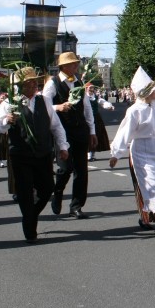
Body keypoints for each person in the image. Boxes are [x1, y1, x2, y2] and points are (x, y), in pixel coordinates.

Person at [0, 67, 69, 242]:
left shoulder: (44, 101)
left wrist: (63, 146)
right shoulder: (10, 103)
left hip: (43, 154)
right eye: (30, 82)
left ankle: (30, 215)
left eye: (35, 81)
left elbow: (56, 126)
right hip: (21, 155)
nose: (34, 84)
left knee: (47, 189)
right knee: (25, 192)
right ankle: (29, 227)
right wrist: (7, 120)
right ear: (20, 86)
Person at [110, 59, 155, 234]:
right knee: (151, 184)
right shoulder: (134, 110)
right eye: (152, 89)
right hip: (142, 150)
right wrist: (116, 153)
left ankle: (148, 217)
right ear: (145, 92)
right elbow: (124, 132)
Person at [43, 52, 97, 219]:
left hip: (80, 129)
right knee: (65, 168)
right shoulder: (53, 83)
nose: (76, 66)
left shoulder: (79, 82)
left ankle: (77, 205)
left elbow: (87, 107)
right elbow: (42, 105)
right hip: (62, 131)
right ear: (64, 66)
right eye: (73, 64)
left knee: (81, 170)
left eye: (76, 63)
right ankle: (57, 192)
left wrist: (92, 131)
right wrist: (57, 107)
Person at [86, 84, 113, 162]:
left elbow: (103, 102)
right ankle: (88, 154)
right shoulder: (84, 97)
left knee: (97, 135)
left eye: (92, 88)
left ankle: (92, 155)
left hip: (96, 118)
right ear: (86, 89)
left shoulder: (96, 97)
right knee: (88, 135)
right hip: (86, 118)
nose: (92, 89)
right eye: (90, 88)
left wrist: (109, 107)